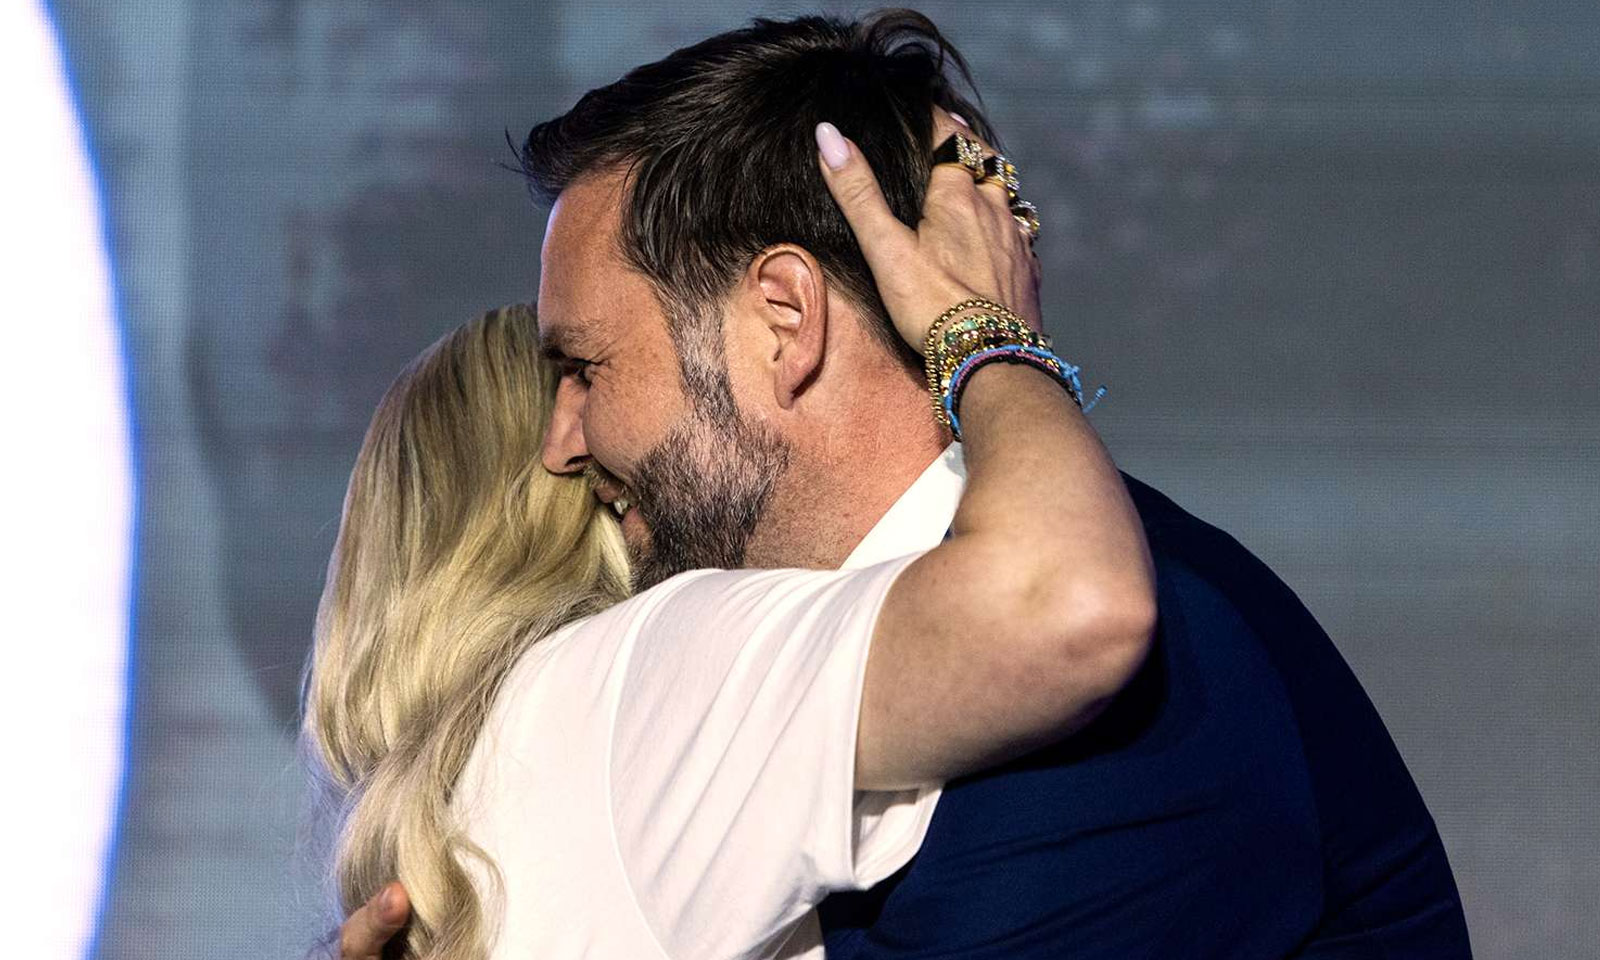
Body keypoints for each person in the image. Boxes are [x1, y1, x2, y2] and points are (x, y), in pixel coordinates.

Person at [335, 10, 1473, 959]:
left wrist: (983, 338)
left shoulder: (1154, 678)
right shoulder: (835, 667)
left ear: (784, 320)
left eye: (586, 367)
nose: (561, 442)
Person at [303, 114, 1157, 958]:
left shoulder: (481, 790)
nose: (569, 442)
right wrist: (982, 329)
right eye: (568, 377)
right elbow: (1064, 602)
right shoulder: (627, 675)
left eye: (586, 373)